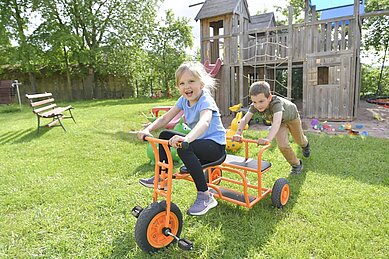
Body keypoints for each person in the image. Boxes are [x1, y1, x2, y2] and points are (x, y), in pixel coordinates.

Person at [137, 61, 226, 216]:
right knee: (165, 135)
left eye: (191, 81)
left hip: (215, 147)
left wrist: (187, 139)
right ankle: (161, 177)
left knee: (184, 147)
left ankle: (205, 196)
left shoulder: (205, 100)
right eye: (182, 83)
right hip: (197, 142)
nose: (187, 86)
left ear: (201, 83)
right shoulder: (183, 100)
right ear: (178, 87)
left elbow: (204, 122)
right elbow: (166, 118)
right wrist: (147, 129)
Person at [233, 81, 310, 175]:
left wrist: (268, 138)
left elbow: (276, 122)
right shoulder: (254, 106)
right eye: (254, 102)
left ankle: (305, 145)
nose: (258, 105)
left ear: (269, 97)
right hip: (280, 122)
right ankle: (296, 164)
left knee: (299, 140)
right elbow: (244, 120)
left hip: (291, 117)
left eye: (261, 101)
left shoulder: (276, 103)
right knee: (282, 145)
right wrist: (238, 133)